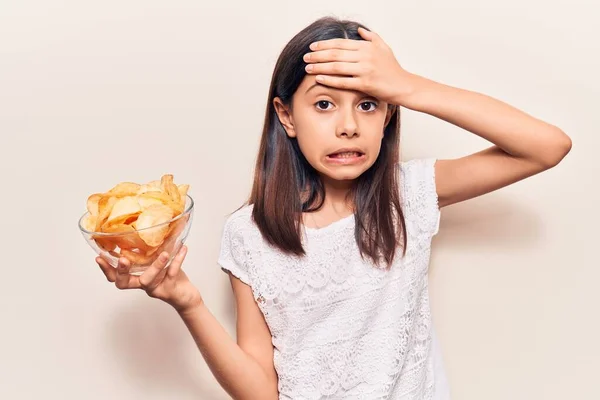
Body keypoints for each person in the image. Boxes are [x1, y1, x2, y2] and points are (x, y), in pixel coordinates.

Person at [95, 16, 572, 400]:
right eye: (324, 105)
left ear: (388, 115)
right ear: (287, 116)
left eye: (368, 105)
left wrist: (407, 86)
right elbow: (260, 392)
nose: (348, 126)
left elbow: (546, 147)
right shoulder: (250, 234)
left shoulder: (408, 194)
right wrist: (186, 300)